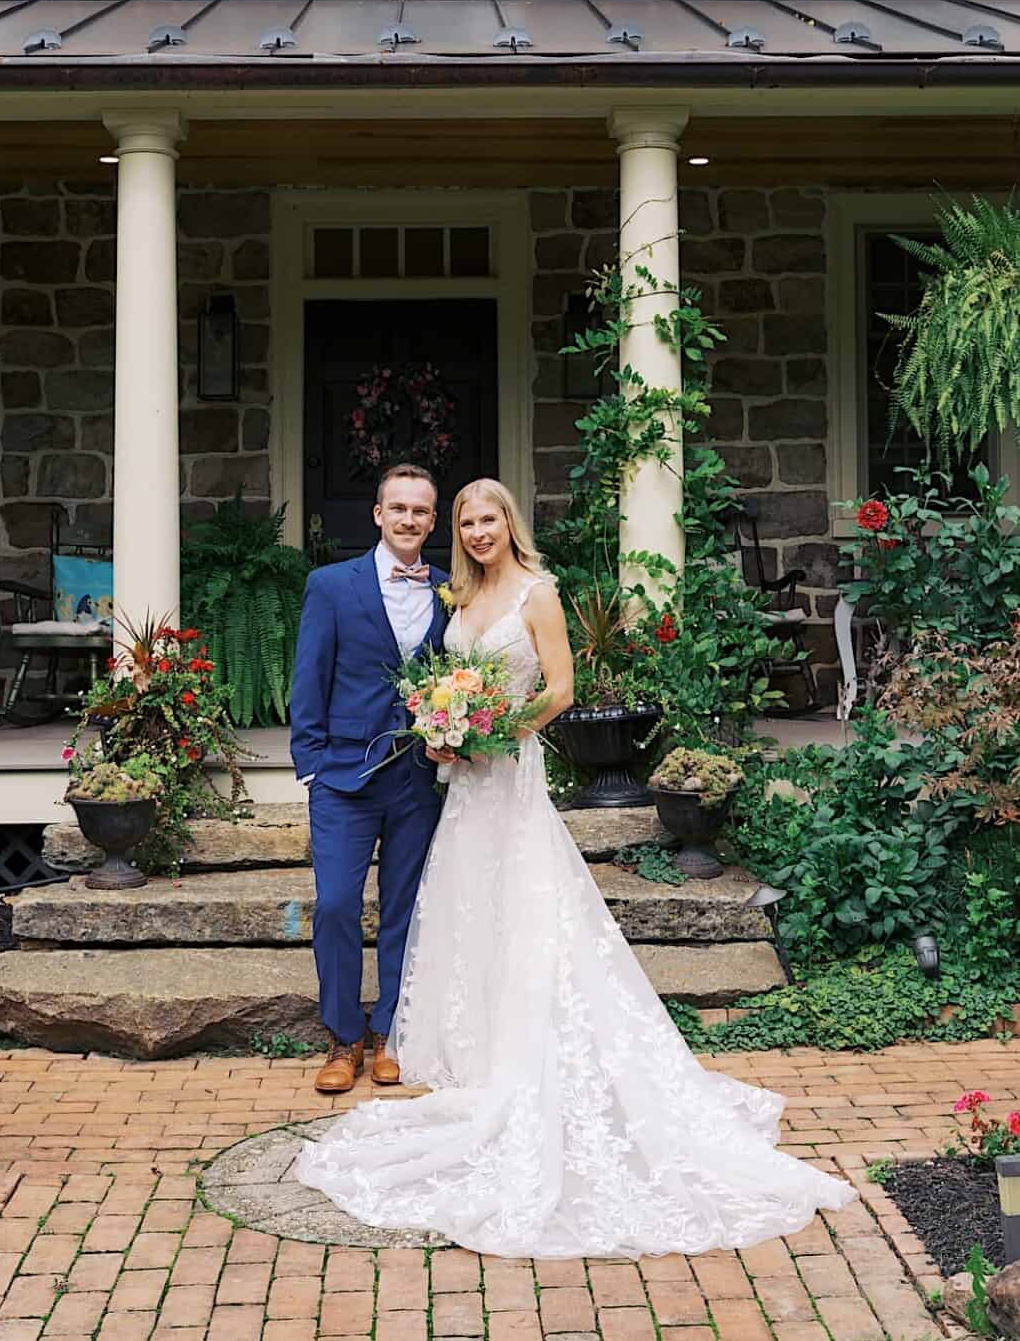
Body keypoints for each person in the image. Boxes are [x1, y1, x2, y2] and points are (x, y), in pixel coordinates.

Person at [293, 477, 853, 1257]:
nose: (474, 529)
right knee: (434, 907)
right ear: (388, 515)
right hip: (441, 780)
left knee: (495, 907)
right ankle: (357, 1039)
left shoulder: (536, 591)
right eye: (465, 519)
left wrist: (491, 730)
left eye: (483, 517)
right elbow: (401, 681)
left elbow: (560, 689)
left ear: (508, 521)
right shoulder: (457, 593)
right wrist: (380, 747)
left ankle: (427, 1040)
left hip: (492, 777)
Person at [287, 462, 449, 1095]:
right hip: (342, 778)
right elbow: (310, 678)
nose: (410, 519)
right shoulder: (332, 585)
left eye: (421, 511)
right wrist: (311, 765)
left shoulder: (446, 590)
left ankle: (388, 1034)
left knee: (405, 910)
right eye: (399, 508)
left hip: (418, 777)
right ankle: (342, 1036)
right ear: (379, 515)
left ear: (432, 521)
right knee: (333, 906)